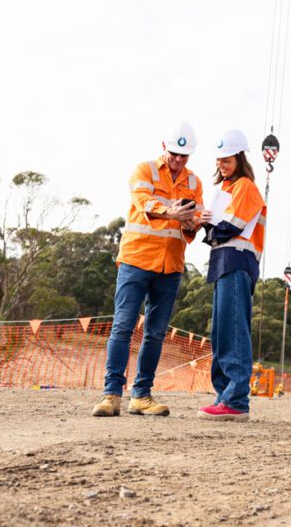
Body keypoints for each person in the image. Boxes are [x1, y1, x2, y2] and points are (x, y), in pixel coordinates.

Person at [92, 121, 203, 417]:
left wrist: (193, 223)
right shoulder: (144, 170)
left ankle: (141, 395)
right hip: (137, 261)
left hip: (171, 267)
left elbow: (192, 228)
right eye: (175, 154)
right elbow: (143, 202)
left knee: (155, 333)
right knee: (123, 326)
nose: (179, 161)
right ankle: (111, 395)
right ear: (164, 146)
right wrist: (171, 212)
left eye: (185, 156)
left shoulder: (195, 182)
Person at [197, 129, 266, 422]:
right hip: (224, 261)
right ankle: (225, 395)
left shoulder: (245, 187)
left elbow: (231, 225)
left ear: (240, 157)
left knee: (234, 330)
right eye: (219, 160)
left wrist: (206, 226)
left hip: (238, 261)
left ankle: (236, 400)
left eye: (227, 160)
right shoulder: (226, 188)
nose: (222, 165)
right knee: (222, 331)